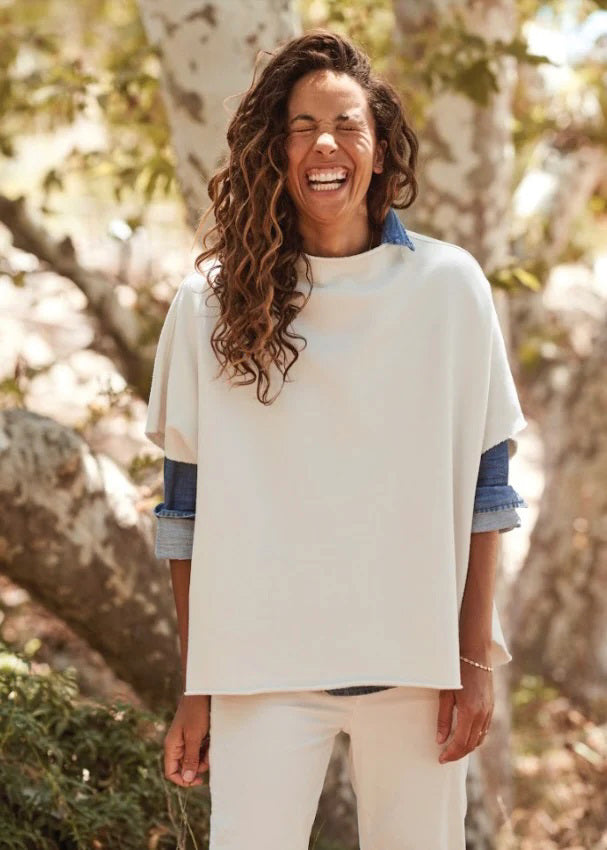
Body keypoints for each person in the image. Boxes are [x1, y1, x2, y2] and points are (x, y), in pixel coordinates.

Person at [144, 29, 528, 850]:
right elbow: (184, 513)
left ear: (380, 149)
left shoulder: (448, 288)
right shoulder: (208, 305)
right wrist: (196, 687)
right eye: (300, 125)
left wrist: (471, 661)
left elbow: (486, 495)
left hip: (416, 670)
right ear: (271, 152)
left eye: (347, 123)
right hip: (259, 672)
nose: (324, 143)